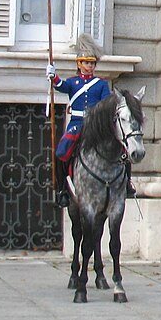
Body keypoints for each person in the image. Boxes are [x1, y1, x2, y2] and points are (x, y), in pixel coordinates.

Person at [48, 33, 115, 207]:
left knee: (120, 148)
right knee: (61, 152)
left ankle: (127, 183)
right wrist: (53, 76)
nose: (90, 66)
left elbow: (106, 102)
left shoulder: (100, 84)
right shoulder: (73, 82)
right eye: (87, 63)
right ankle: (62, 189)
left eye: (92, 63)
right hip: (77, 124)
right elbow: (61, 86)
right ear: (79, 64)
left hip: (95, 125)